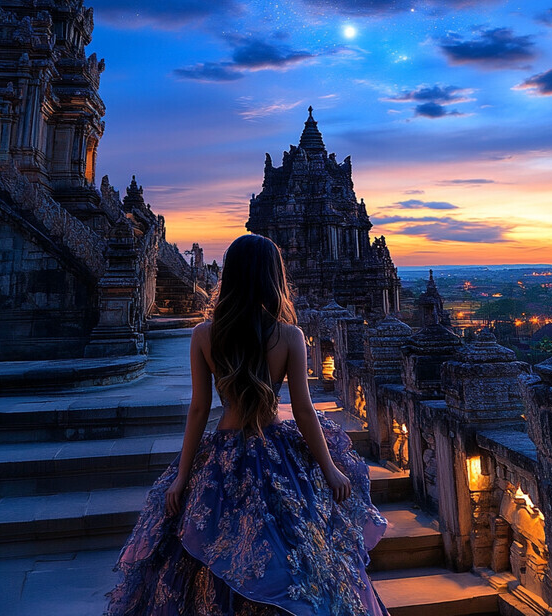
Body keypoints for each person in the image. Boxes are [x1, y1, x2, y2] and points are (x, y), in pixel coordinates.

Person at [105, 234, 389, 616]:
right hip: (278, 456)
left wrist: (182, 476)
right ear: (274, 277)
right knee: (294, 558)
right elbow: (303, 411)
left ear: (231, 275)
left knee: (215, 553)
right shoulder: (289, 336)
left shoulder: (205, 334)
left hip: (221, 455)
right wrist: (330, 468)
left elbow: (199, 410)